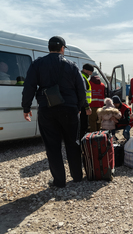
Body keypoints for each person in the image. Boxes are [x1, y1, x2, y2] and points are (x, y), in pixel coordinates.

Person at [21, 36, 86, 188]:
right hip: (69, 110)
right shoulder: (72, 65)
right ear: (63, 48)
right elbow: (81, 90)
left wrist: (26, 107)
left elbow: (29, 86)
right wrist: (78, 107)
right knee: (73, 144)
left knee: (52, 146)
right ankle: (77, 177)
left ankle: (59, 181)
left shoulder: (37, 64)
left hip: (47, 109)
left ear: (49, 48)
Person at [80, 63, 94, 139]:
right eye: (90, 71)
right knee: (83, 126)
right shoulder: (83, 78)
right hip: (83, 106)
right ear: (85, 70)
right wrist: (87, 107)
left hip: (81, 105)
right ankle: (82, 145)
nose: (91, 73)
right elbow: (82, 94)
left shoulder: (82, 77)